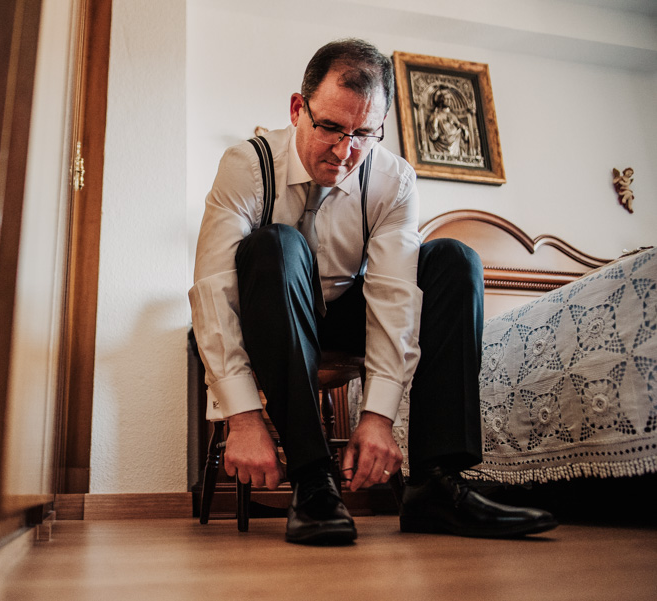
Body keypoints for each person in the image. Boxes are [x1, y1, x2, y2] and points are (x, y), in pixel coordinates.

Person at [189, 38, 557, 545]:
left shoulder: (393, 180)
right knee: (275, 245)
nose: (345, 151)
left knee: (453, 260)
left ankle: (435, 484)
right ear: (298, 108)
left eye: (364, 133)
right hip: (268, 313)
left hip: (343, 311)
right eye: (331, 128)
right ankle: (314, 481)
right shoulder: (248, 165)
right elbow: (214, 289)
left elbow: (394, 295)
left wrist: (378, 416)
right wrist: (244, 415)